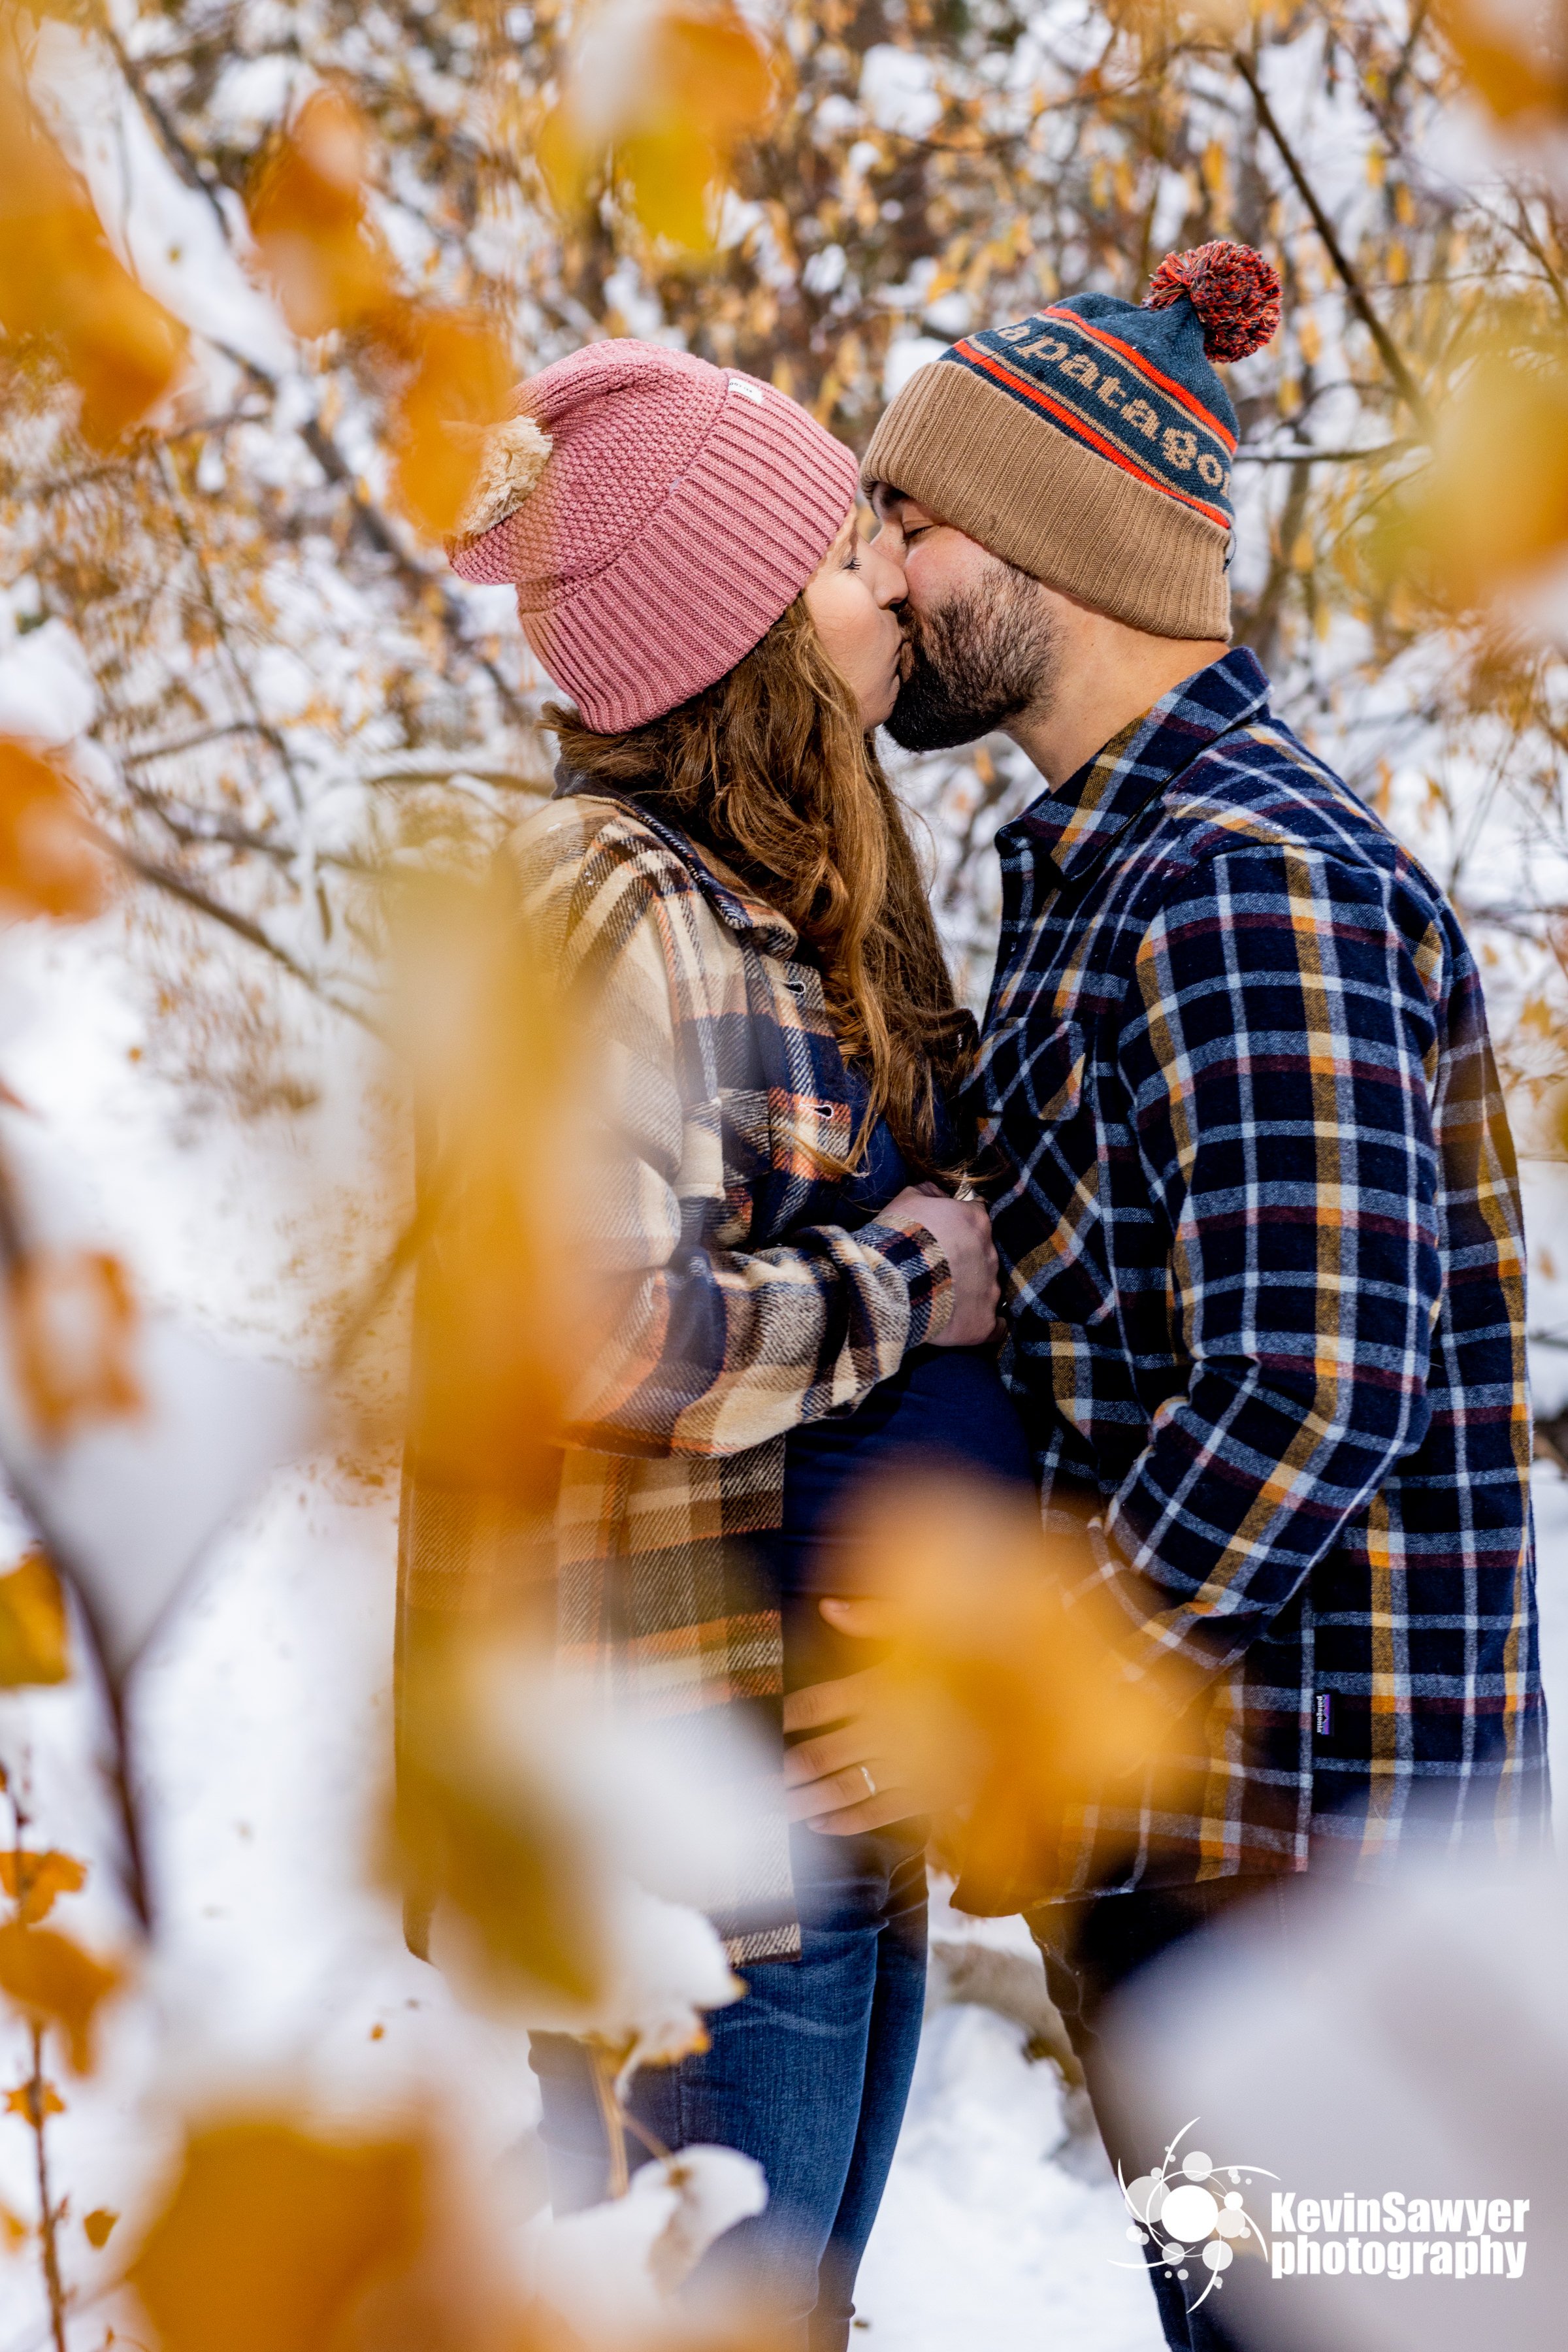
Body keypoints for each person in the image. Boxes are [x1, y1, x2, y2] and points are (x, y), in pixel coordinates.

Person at [862, 238, 1548, 2351]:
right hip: (1213, 1849)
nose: (879, 573)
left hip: (1316, 1876)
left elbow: (1310, 1391)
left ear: (1056, 542)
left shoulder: (1242, 876)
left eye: (910, 518)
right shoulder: (1110, 865)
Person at [400, 337, 1034, 2351]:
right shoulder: (615, 906)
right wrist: (900, 1294)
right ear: (752, 631)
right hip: (677, 1841)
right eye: (853, 548)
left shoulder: (782, 904)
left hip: (815, 1789)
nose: (890, 584)